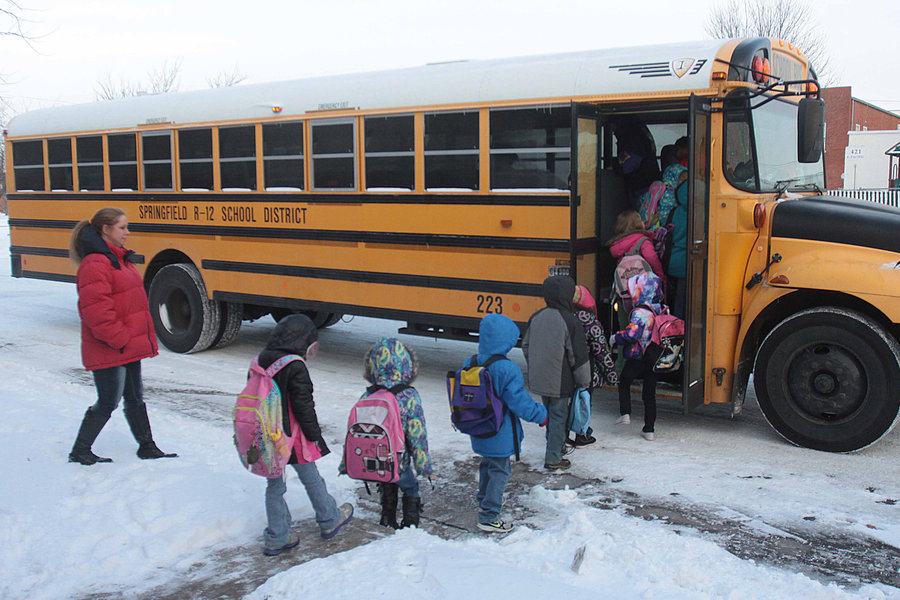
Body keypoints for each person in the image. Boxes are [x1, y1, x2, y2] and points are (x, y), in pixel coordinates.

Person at [67, 207, 176, 465]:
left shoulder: (118, 259)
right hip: (112, 346)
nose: (128, 232)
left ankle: (147, 446)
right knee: (108, 401)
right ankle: (80, 450)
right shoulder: (96, 263)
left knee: (135, 398)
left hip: (125, 346)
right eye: (122, 227)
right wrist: (120, 338)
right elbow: (95, 312)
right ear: (106, 230)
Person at [256, 314, 353, 555]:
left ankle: (277, 536)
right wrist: (314, 435)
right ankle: (329, 519)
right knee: (311, 478)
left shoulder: (259, 359)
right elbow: (303, 406)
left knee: (274, 486)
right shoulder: (295, 365)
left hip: (267, 436)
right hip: (292, 438)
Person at [464, 314, 548, 533]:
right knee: (500, 470)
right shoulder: (507, 369)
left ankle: (483, 497)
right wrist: (541, 415)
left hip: (478, 426)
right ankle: (489, 516)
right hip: (499, 431)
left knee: (487, 464)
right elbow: (520, 403)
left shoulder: (471, 362)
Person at [360, 337, 433, 529]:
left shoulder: (369, 394)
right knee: (410, 486)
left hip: (375, 457)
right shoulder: (409, 396)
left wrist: (347, 463)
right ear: (407, 366)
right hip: (400, 458)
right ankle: (410, 523)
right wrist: (424, 466)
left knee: (387, 482)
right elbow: (418, 435)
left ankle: (387, 517)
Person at [522, 275, 591, 470]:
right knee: (559, 416)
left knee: (551, 414)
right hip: (560, 380)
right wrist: (584, 380)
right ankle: (553, 457)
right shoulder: (570, 321)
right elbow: (577, 356)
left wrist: (536, 365)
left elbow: (526, 345)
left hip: (540, 378)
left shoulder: (536, 317)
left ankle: (557, 446)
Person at [609, 273, 664, 441]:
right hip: (654, 356)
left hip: (638, 356)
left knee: (624, 381)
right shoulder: (659, 308)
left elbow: (632, 335)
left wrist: (615, 338)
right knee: (649, 394)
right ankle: (649, 429)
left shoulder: (639, 313)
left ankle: (625, 412)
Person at [569, 285, 618, 447]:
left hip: (565, 369)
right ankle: (581, 434)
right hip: (587, 370)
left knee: (567, 401)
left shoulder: (564, 317)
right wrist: (611, 375)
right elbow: (601, 351)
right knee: (583, 401)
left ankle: (562, 433)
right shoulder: (590, 322)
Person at [666, 174, 690, 319]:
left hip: (671, 261)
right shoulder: (701, 213)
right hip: (686, 264)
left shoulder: (675, 211)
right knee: (682, 304)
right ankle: (679, 330)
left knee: (673, 299)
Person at [657, 163, 688, 227]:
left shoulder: (685, 191)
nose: (684, 182)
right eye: (682, 178)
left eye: (687, 179)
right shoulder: (667, 195)